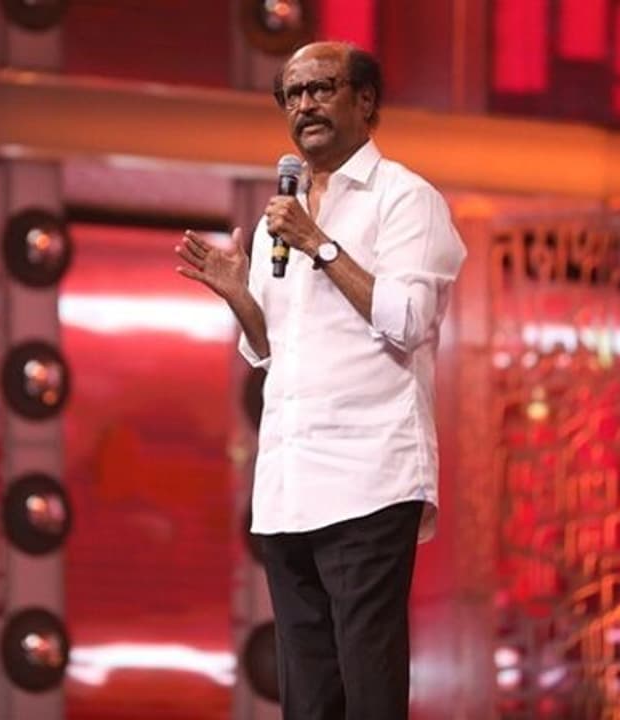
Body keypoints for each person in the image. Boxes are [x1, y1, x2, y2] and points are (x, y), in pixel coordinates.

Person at [174, 42, 467, 719]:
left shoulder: (406, 199)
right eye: (292, 94)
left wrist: (319, 244)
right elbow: (273, 350)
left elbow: (408, 319)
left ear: (365, 100)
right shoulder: (285, 212)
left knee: (367, 682)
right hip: (288, 484)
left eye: (320, 88)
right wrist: (239, 297)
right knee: (306, 694)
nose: (304, 105)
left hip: (369, 476)